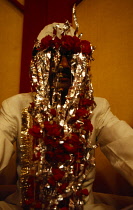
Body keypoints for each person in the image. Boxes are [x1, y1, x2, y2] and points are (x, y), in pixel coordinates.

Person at [0, 21, 133, 210]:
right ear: (39, 62)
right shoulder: (16, 106)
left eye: (70, 57)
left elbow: (127, 147)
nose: (63, 64)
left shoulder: (97, 108)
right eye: (53, 56)